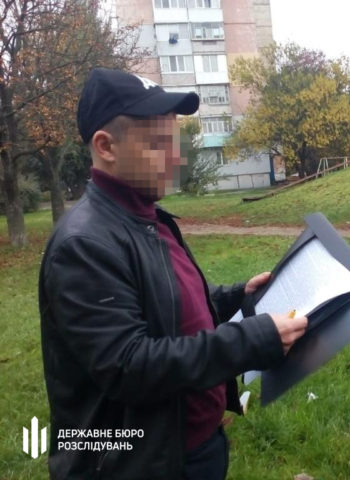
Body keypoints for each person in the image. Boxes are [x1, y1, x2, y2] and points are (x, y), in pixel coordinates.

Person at [38, 68, 308, 480]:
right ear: (106, 146)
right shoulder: (84, 245)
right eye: (159, 144)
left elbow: (165, 305)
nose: (177, 158)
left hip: (190, 446)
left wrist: (235, 297)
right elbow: (130, 366)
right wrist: (251, 340)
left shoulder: (146, 217)